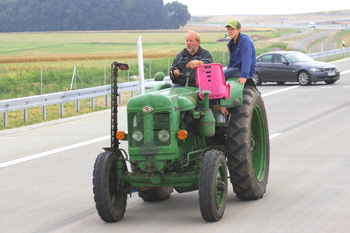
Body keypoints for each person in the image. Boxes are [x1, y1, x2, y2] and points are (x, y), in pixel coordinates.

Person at [224, 20, 256, 85]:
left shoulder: (244, 41)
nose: (230, 31)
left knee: (220, 75)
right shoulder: (231, 43)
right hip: (236, 68)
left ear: (239, 29)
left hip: (245, 70)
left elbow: (247, 59)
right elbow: (232, 59)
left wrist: (244, 76)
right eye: (228, 29)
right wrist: (229, 67)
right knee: (217, 73)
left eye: (232, 29)